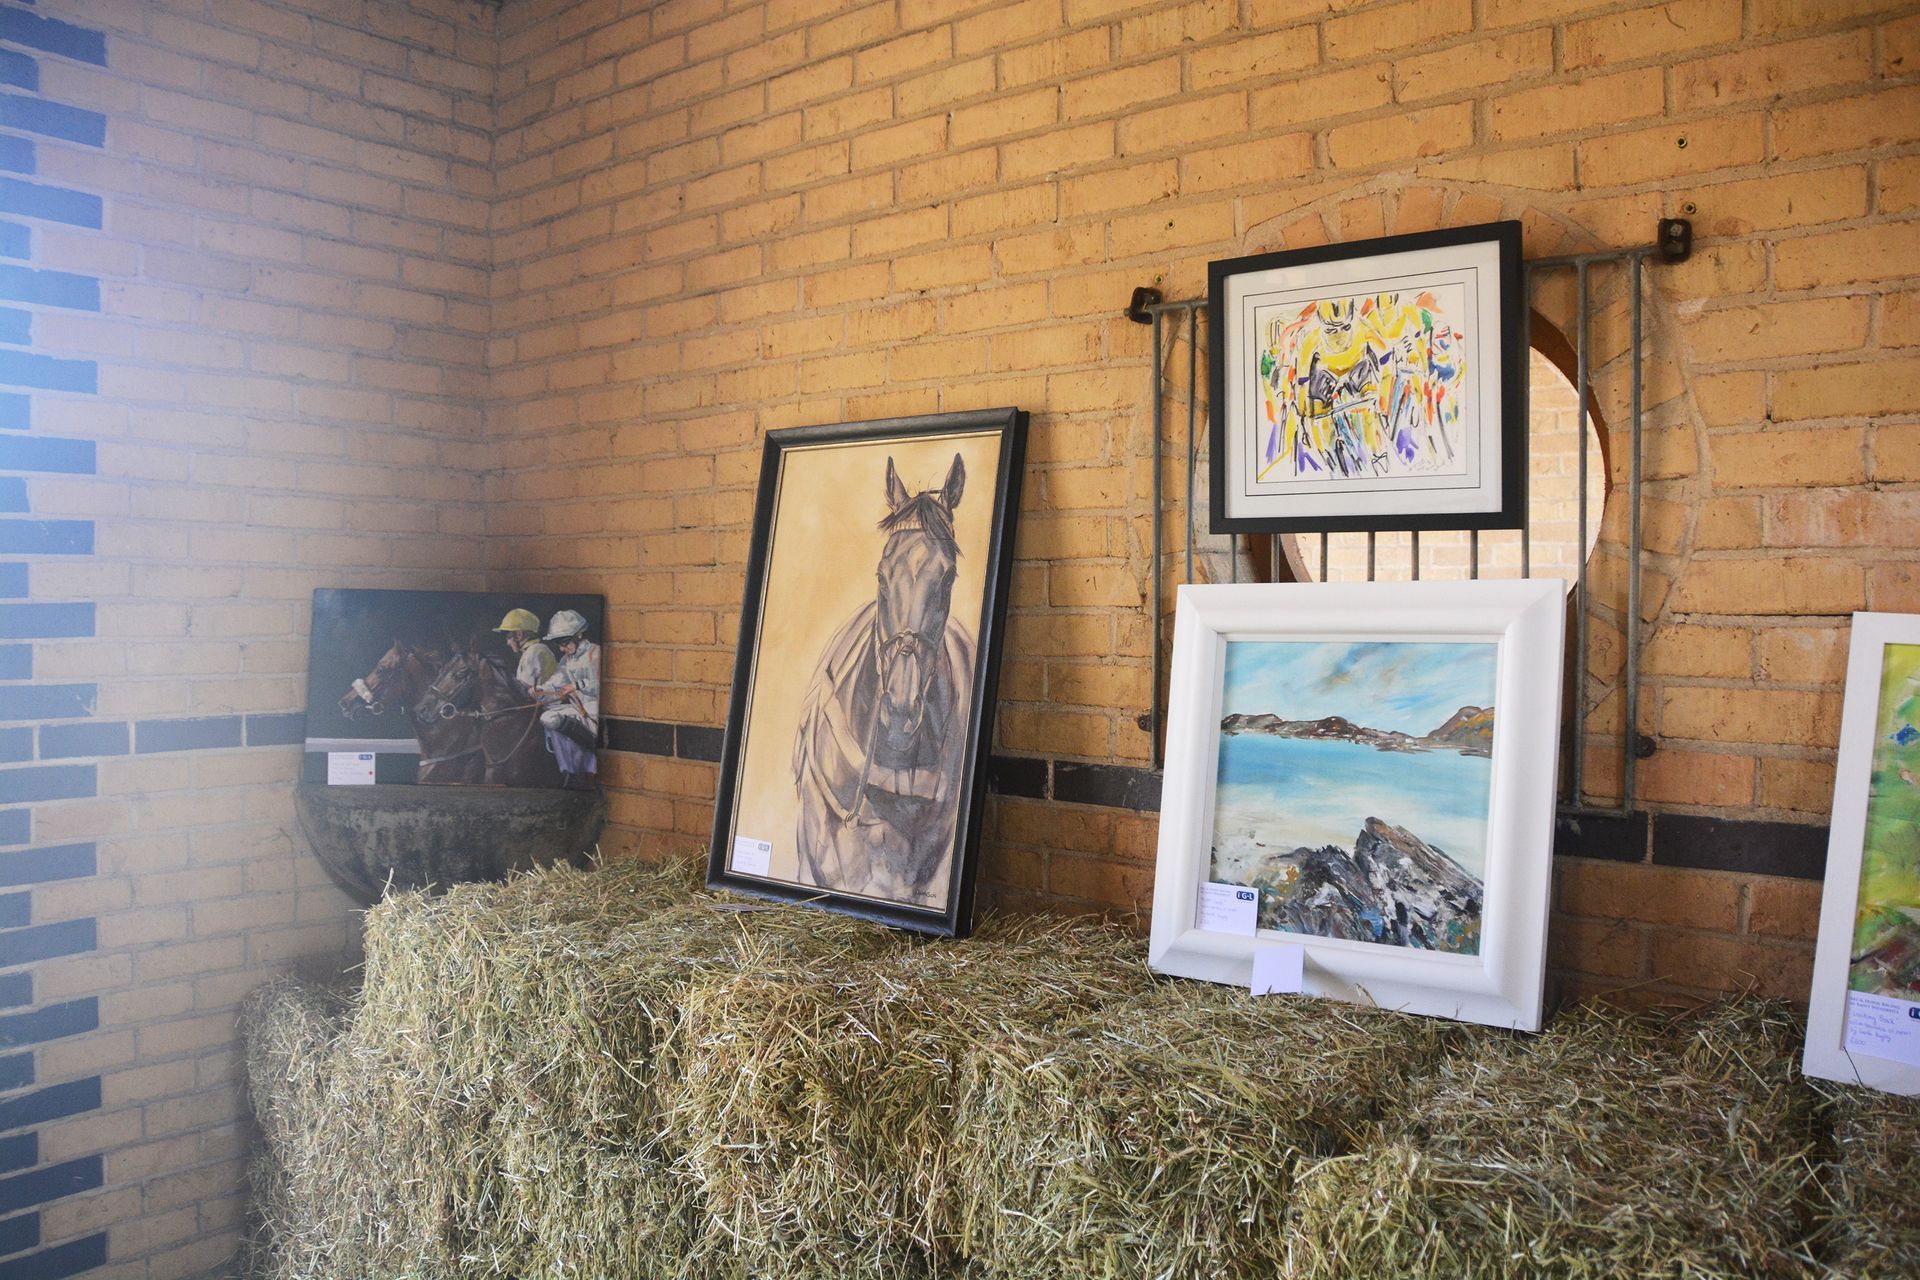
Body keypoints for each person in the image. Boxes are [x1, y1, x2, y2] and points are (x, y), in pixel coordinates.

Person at [535, 609, 600, 785]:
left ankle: (589, 760)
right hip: (577, 707)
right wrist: (541, 690)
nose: (562, 648)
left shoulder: (595, 653)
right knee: (548, 717)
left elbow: (602, 684)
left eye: (564, 643)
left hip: (596, 708)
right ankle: (570, 769)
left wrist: (576, 686)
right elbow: (556, 681)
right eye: (559, 644)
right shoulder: (566, 660)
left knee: (557, 719)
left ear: (579, 635)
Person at [492, 608, 556, 696]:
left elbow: (524, 691)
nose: (508, 643)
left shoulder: (535, 651)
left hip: (548, 706)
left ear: (519, 635)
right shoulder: (533, 650)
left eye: (508, 637)